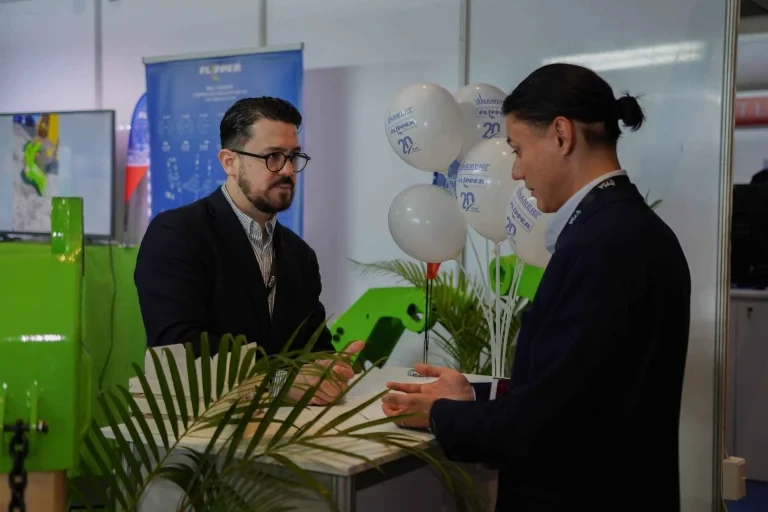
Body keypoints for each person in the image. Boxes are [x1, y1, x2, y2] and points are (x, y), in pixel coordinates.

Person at [381, 63, 691, 511]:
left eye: (518, 149)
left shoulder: (602, 245)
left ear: (562, 136)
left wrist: (439, 414)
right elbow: (581, 390)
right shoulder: (634, 230)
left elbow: (545, 425)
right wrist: (476, 395)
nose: (516, 172)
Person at [135, 97, 362, 405]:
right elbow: (179, 347)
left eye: (293, 157)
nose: (287, 171)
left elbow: (312, 346)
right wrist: (280, 382)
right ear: (229, 161)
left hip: (287, 435)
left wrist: (329, 370)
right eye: (272, 157)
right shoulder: (178, 233)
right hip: (199, 432)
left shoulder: (299, 255)